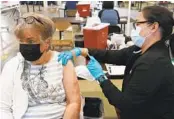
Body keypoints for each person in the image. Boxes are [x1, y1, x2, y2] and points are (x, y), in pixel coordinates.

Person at [58, 6, 174, 119]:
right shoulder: (140, 49)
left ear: (153, 27)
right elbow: (113, 55)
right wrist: (83, 51)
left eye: (138, 24)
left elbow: (124, 104)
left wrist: (101, 77)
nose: (135, 28)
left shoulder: (153, 63)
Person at [0, 13, 81, 119]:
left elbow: (73, 102)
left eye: (30, 41)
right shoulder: (12, 66)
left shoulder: (63, 62)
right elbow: (3, 108)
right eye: (21, 41)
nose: (25, 45)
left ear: (47, 42)